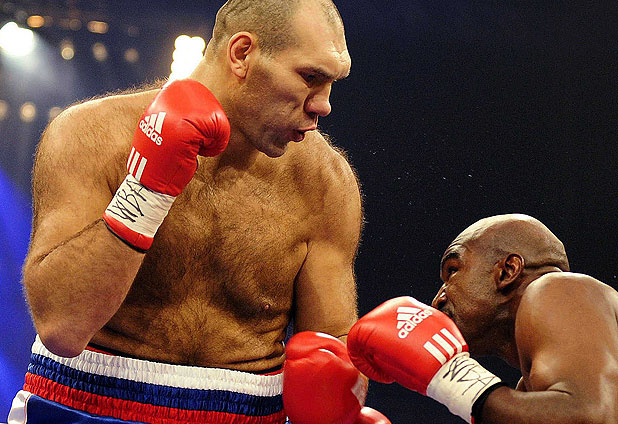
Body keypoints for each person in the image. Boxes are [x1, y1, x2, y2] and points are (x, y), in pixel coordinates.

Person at [7, 1, 385, 422]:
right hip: (83, 405)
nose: (323, 105)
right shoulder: (92, 135)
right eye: (310, 77)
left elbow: (329, 349)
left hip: (248, 412)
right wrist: (146, 189)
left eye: (332, 82)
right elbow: (61, 327)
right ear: (242, 53)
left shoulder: (324, 180)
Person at [347, 213, 618, 423]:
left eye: (453, 271)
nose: (437, 300)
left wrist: (454, 377)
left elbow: (591, 415)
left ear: (507, 271)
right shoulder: (528, 395)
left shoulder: (557, 288)